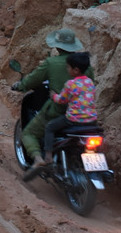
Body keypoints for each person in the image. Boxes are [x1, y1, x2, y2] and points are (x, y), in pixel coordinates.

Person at [11, 28, 94, 172]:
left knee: (29, 133)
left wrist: (21, 85)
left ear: (57, 46)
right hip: (87, 114)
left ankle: (39, 159)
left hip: (58, 111)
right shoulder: (84, 65)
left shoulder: (51, 63)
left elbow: (32, 80)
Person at [24, 52, 98, 181]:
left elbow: (61, 100)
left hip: (73, 120)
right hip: (91, 120)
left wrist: (53, 95)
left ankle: (48, 156)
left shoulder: (70, 84)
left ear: (75, 70)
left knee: (49, 127)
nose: (67, 70)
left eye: (68, 67)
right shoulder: (90, 82)